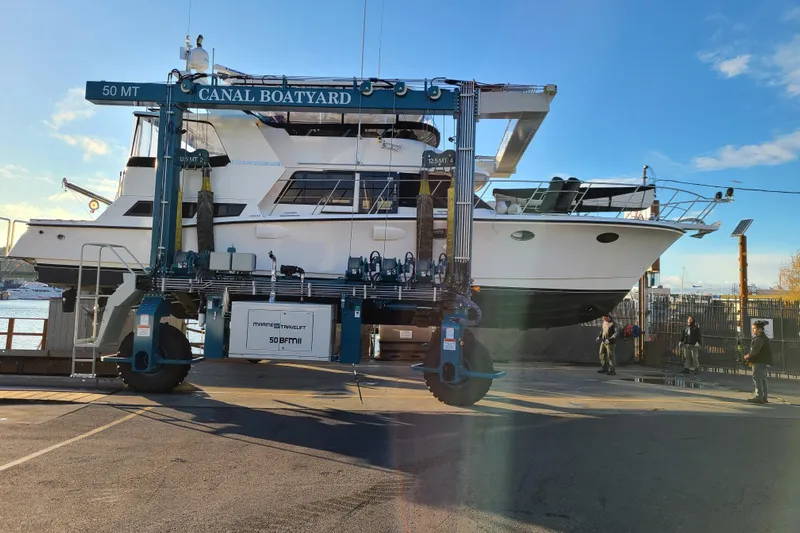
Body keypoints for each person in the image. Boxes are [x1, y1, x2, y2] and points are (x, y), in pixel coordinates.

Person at [744, 320, 772, 404]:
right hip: (763, 361)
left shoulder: (759, 338)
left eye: (754, 328)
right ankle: (764, 397)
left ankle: (759, 397)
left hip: (759, 361)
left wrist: (747, 356)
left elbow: (755, 351)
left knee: (757, 378)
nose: (753, 330)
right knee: (762, 379)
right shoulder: (763, 338)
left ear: (760, 329)